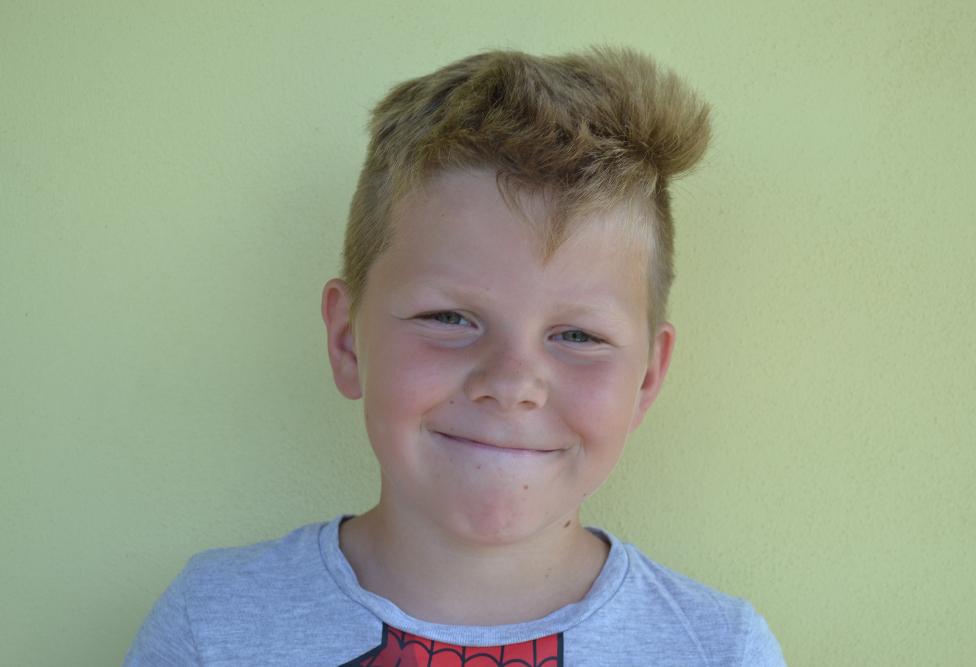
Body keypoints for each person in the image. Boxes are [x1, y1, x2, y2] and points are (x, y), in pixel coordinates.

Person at [124, 47, 786, 666]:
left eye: (579, 336)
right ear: (347, 339)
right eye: (448, 319)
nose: (512, 383)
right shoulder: (211, 628)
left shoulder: (719, 650)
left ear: (647, 377)